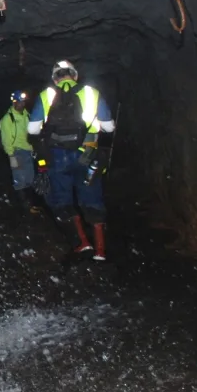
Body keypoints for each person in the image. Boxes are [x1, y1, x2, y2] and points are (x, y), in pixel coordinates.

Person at [27, 60, 115, 260]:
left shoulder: (46, 95)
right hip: (88, 153)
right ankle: (100, 250)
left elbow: (32, 130)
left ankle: (82, 243)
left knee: (62, 199)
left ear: (54, 78)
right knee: (92, 198)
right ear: (75, 75)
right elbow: (109, 127)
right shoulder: (92, 93)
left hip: (57, 156)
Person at [0, 90, 40, 215]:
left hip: (28, 151)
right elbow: (6, 138)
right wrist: (10, 155)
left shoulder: (26, 115)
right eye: (19, 102)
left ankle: (31, 205)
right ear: (14, 102)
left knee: (30, 179)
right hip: (17, 152)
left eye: (23, 102)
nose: (22, 104)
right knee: (20, 180)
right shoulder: (8, 119)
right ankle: (24, 207)